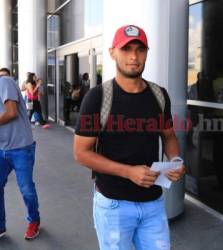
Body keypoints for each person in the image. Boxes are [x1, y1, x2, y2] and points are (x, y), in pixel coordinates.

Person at [73, 24, 185, 250]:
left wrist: (175, 160)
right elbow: (81, 153)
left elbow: (169, 136)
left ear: (146, 52)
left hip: (153, 203)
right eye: (126, 49)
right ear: (113, 52)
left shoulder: (159, 94)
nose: (134, 56)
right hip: (114, 205)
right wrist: (128, 171)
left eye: (140, 49)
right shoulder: (97, 97)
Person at [0, 76, 40, 240]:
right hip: (1, 147)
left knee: (26, 189)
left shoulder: (4, 82)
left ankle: (34, 221)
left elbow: (11, 113)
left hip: (21, 146)